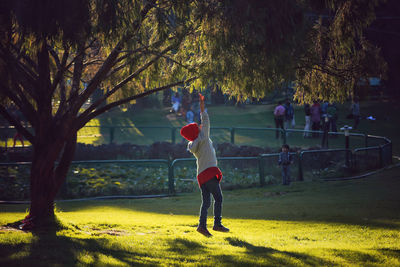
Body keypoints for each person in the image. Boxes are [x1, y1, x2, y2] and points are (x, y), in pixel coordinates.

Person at [180, 93, 229, 237]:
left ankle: (202, 226)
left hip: (201, 176)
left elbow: (202, 123)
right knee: (218, 198)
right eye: (198, 127)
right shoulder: (204, 137)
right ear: (197, 131)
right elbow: (205, 118)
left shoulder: (193, 144)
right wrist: (202, 104)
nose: (201, 126)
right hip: (209, 172)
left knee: (206, 202)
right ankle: (217, 224)